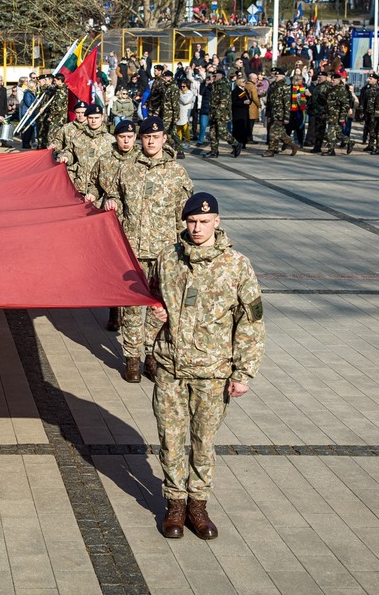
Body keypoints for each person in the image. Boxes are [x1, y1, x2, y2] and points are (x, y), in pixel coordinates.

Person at [150, 192, 265, 541]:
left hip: (213, 373)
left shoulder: (237, 265)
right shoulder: (167, 259)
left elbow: (251, 321)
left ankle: (198, 505)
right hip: (170, 367)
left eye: (204, 221)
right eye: (191, 222)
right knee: (170, 440)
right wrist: (158, 314)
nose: (197, 228)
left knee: (203, 443)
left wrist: (244, 373)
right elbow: (150, 294)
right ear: (184, 223)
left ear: (217, 221)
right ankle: (175, 503)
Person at [107, 116, 193, 382]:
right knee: (132, 307)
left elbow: (185, 214)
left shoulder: (177, 172)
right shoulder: (127, 169)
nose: (151, 141)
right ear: (140, 139)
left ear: (164, 138)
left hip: (164, 253)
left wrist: (186, 250)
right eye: (146, 137)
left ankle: (151, 357)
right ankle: (132, 359)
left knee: (159, 307)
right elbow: (115, 199)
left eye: (156, 137)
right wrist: (110, 202)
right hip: (131, 250)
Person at [86, 119, 139, 333]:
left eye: (130, 137)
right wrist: (93, 193)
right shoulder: (105, 160)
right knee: (115, 269)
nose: (126, 141)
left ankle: (132, 314)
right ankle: (114, 311)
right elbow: (94, 183)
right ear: (115, 138)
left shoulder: (140, 161)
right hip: (111, 223)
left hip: (136, 224)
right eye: (122, 137)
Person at [262, 69, 299, 157]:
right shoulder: (273, 86)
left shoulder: (284, 86)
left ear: (282, 77)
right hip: (273, 113)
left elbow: (287, 103)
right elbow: (270, 101)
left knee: (273, 132)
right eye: (275, 76)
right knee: (280, 133)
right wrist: (268, 114)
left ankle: (271, 150)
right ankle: (292, 145)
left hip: (280, 114)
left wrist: (286, 117)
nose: (275, 77)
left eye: (277, 76)